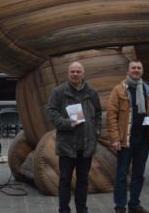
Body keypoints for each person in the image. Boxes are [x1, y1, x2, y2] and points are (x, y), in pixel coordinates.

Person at [46, 61, 102, 213]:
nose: (75, 74)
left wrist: (96, 131)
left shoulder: (92, 92)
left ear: (83, 74)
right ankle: (64, 209)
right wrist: (67, 123)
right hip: (67, 144)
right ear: (68, 74)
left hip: (86, 145)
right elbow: (51, 112)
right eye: (73, 71)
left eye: (78, 71)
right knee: (65, 179)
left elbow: (98, 114)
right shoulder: (58, 92)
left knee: (83, 180)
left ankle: (82, 209)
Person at [107, 60, 149, 213]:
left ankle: (134, 204)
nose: (136, 70)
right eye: (133, 68)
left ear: (142, 71)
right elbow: (111, 116)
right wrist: (115, 138)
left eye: (139, 68)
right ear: (128, 71)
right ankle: (120, 206)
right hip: (126, 139)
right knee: (122, 174)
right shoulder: (119, 90)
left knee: (139, 174)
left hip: (144, 139)